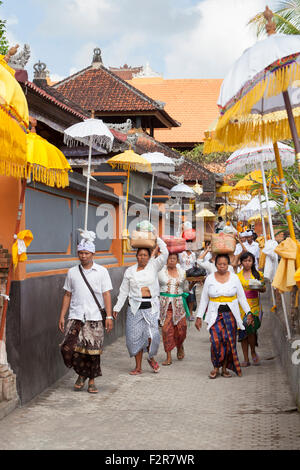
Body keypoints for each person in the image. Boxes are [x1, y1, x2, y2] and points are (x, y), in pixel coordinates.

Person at [59, 237, 113, 394]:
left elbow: (107, 295)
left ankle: (91, 380)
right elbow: (67, 295)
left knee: (93, 352)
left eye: (86, 253)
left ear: (93, 253)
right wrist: (62, 316)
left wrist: (109, 316)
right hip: (75, 316)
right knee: (70, 348)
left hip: (94, 317)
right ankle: (81, 374)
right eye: (81, 253)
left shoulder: (102, 272)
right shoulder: (72, 272)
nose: (83, 256)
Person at [113, 237, 168, 375]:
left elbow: (165, 252)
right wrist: (117, 307)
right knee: (134, 338)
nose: (142, 257)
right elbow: (124, 290)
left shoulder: (154, 266)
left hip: (151, 308)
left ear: (149, 257)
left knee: (152, 336)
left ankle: (151, 357)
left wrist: (156, 238)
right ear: (136, 256)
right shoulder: (130, 271)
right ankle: (138, 367)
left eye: (145, 255)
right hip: (134, 308)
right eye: (140, 255)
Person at [195, 254, 252, 379]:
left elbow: (242, 298)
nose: (222, 266)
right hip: (214, 315)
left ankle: (225, 368)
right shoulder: (209, 278)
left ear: (228, 265)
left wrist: (249, 313)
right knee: (216, 341)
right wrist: (199, 317)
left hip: (230, 315)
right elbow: (204, 299)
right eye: (219, 264)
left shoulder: (234, 278)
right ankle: (216, 366)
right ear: (215, 265)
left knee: (228, 341)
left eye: (224, 264)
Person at [158, 253, 190, 366]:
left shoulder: (182, 272)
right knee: (166, 330)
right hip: (165, 306)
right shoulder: (160, 272)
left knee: (182, 330)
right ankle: (168, 356)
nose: (171, 260)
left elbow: (186, 288)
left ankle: (180, 345)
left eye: (174, 258)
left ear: (177, 260)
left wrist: (193, 284)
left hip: (179, 305)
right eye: (169, 258)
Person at [237, 252, 266, 367]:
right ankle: (245, 358)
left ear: (253, 262)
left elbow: (264, 289)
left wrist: (259, 288)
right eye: (245, 260)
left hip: (254, 306)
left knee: (251, 330)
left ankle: (253, 351)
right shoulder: (237, 276)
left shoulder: (258, 274)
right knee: (242, 331)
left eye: (249, 260)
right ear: (241, 262)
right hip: (241, 306)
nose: (247, 263)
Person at [179, 247, 197, 320]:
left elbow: (194, 265)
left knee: (191, 295)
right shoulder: (180, 253)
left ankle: (190, 313)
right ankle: (182, 312)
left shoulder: (193, 254)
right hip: (182, 276)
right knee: (182, 295)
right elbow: (178, 264)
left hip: (192, 277)